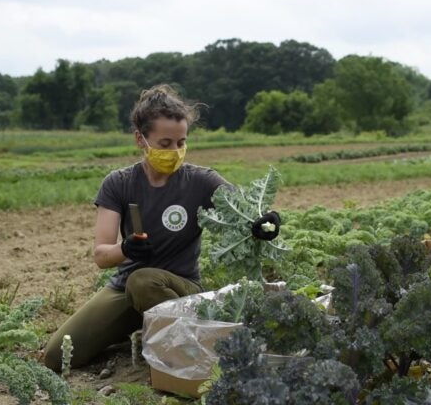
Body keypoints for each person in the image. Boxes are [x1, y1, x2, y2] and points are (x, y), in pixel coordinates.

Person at [43, 85, 281, 371]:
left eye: (181, 143)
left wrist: (264, 221)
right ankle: (148, 324)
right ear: (140, 139)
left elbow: (246, 212)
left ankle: (194, 342)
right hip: (126, 289)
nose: (175, 151)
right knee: (57, 356)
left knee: (143, 281)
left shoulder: (201, 181)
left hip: (181, 290)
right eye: (165, 144)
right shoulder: (119, 183)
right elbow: (101, 255)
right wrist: (126, 248)